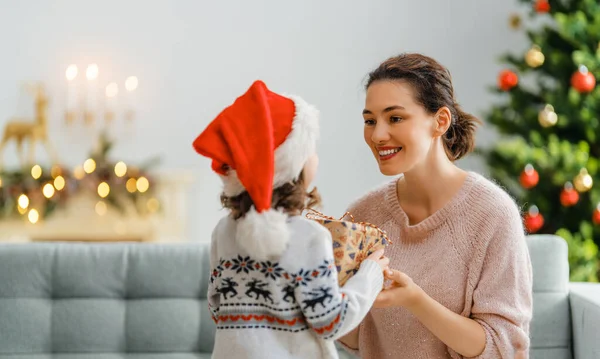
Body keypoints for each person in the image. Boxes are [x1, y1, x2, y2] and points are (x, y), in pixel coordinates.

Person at [337, 53, 533, 358]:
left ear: (440, 121)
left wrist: (415, 300)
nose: (377, 135)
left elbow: (503, 348)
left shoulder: (493, 215)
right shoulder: (362, 216)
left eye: (395, 118)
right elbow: (350, 339)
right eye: (370, 121)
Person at [192, 80, 389, 359]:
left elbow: (217, 307)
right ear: (291, 166)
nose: (315, 158)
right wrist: (370, 274)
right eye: (310, 150)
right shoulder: (309, 236)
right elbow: (330, 321)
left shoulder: (223, 231)